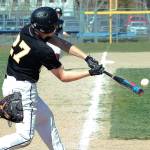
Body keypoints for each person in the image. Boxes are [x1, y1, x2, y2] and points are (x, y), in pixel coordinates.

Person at [0, 7, 104, 150]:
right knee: (25, 137)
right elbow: (63, 76)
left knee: (45, 119)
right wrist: (90, 72)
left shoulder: (28, 29)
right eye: (53, 25)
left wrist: (87, 58)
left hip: (10, 84)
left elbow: (61, 43)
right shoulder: (43, 51)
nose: (56, 26)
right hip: (22, 90)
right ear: (45, 29)